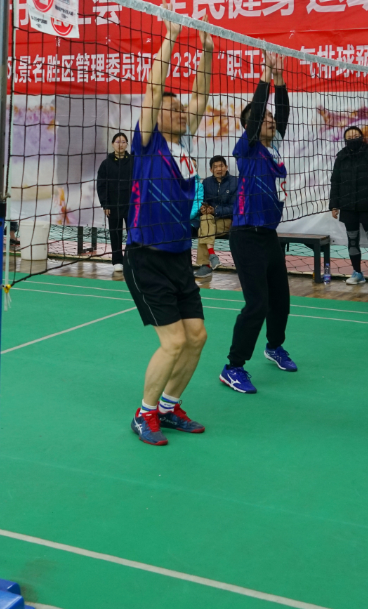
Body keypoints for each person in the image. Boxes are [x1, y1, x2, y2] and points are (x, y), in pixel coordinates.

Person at [123, 22, 213, 445]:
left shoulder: (183, 146)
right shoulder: (148, 144)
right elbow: (154, 87)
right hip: (146, 255)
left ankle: (168, 406)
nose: (179, 112)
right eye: (170, 108)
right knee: (173, 341)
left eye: (182, 110)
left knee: (197, 337)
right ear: (156, 115)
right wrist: (172, 37)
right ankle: (144, 414)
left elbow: (201, 96)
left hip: (178, 255)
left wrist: (207, 52)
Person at [218, 53, 297, 395]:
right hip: (245, 234)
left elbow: (283, 112)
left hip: (268, 235)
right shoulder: (247, 147)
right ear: (250, 125)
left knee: (281, 299)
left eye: (269, 117)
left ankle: (274, 346)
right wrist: (265, 76)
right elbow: (257, 116)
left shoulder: (273, 148)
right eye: (262, 117)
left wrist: (279, 78)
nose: (269, 120)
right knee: (257, 304)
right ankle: (233, 366)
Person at [330, 125, 368, 285]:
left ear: (362, 138)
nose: (353, 139)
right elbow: (335, 182)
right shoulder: (341, 158)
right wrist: (334, 205)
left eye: (356, 136)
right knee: (352, 240)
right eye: (349, 137)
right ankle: (357, 273)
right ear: (345, 140)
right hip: (348, 207)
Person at [95, 132, 132, 273]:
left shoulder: (134, 161)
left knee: (133, 233)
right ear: (112, 144)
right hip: (113, 205)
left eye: (123, 141)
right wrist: (105, 204)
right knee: (115, 233)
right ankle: (117, 261)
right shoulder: (106, 164)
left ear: (127, 144)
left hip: (131, 205)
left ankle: (130, 259)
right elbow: (101, 185)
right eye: (117, 141)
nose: (120, 144)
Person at [193, 156, 236, 277]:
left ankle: (205, 265)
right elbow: (204, 202)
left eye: (221, 166)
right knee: (205, 219)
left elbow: (235, 208)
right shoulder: (206, 182)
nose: (218, 169)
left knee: (203, 230)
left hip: (227, 220)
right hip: (209, 219)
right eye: (215, 167)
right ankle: (212, 255)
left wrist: (215, 211)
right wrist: (204, 209)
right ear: (211, 170)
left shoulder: (235, 182)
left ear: (226, 167)